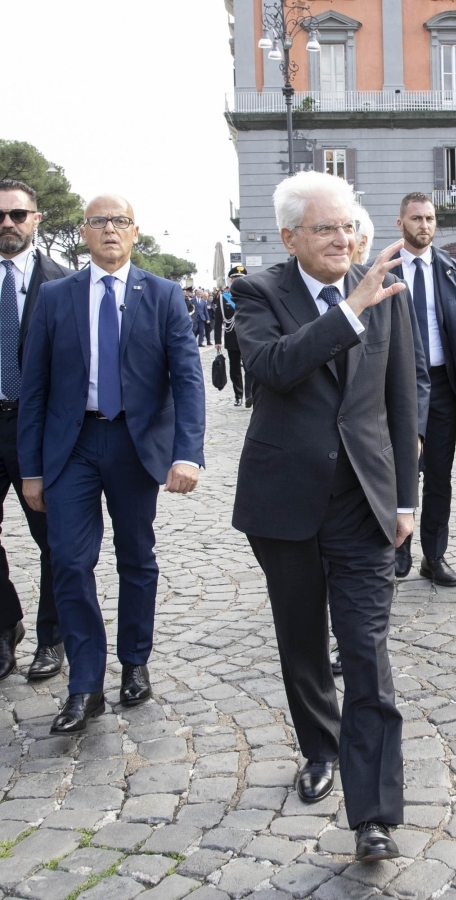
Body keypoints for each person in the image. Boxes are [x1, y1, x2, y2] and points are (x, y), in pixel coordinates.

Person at [231, 171, 420, 863]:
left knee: (367, 654)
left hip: (363, 502)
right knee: (303, 641)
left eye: (349, 227)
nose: (344, 240)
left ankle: (374, 814)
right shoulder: (257, 292)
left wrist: (405, 498)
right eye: (326, 229)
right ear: (289, 237)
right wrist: (348, 311)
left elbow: (402, 397)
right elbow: (274, 367)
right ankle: (319, 747)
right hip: (283, 500)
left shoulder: (385, 288)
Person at [18, 194, 205, 734]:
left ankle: (135, 663)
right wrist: (32, 469)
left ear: (134, 231)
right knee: (70, 563)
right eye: (98, 221)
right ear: (83, 232)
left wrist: (187, 453)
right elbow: (35, 390)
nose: (109, 230)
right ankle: (84, 685)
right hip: (71, 446)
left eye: (118, 221)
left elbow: (187, 379)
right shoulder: (55, 297)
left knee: (136, 557)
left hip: (133, 443)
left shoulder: (165, 295)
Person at [393, 194, 456, 586]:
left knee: (438, 475)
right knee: (400, 473)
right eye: (416, 218)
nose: (424, 225)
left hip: (442, 386)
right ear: (401, 222)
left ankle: (434, 556)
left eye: (430, 218)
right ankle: (398, 550)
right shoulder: (381, 269)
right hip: (396, 388)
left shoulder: (454, 272)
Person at [0, 179, 68, 681]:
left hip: (38, 426)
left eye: (18, 215)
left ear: (36, 219)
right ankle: (5, 628)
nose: (8, 224)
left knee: (53, 538)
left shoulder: (62, 283)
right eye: (1, 216)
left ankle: (52, 639)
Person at [216, 266, 253, 407]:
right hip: (232, 338)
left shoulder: (251, 295)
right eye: (235, 278)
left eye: (240, 278)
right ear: (231, 280)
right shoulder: (223, 298)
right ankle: (238, 395)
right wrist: (218, 340)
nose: (237, 281)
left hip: (249, 337)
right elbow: (218, 320)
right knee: (234, 368)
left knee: (250, 367)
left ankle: (249, 395)